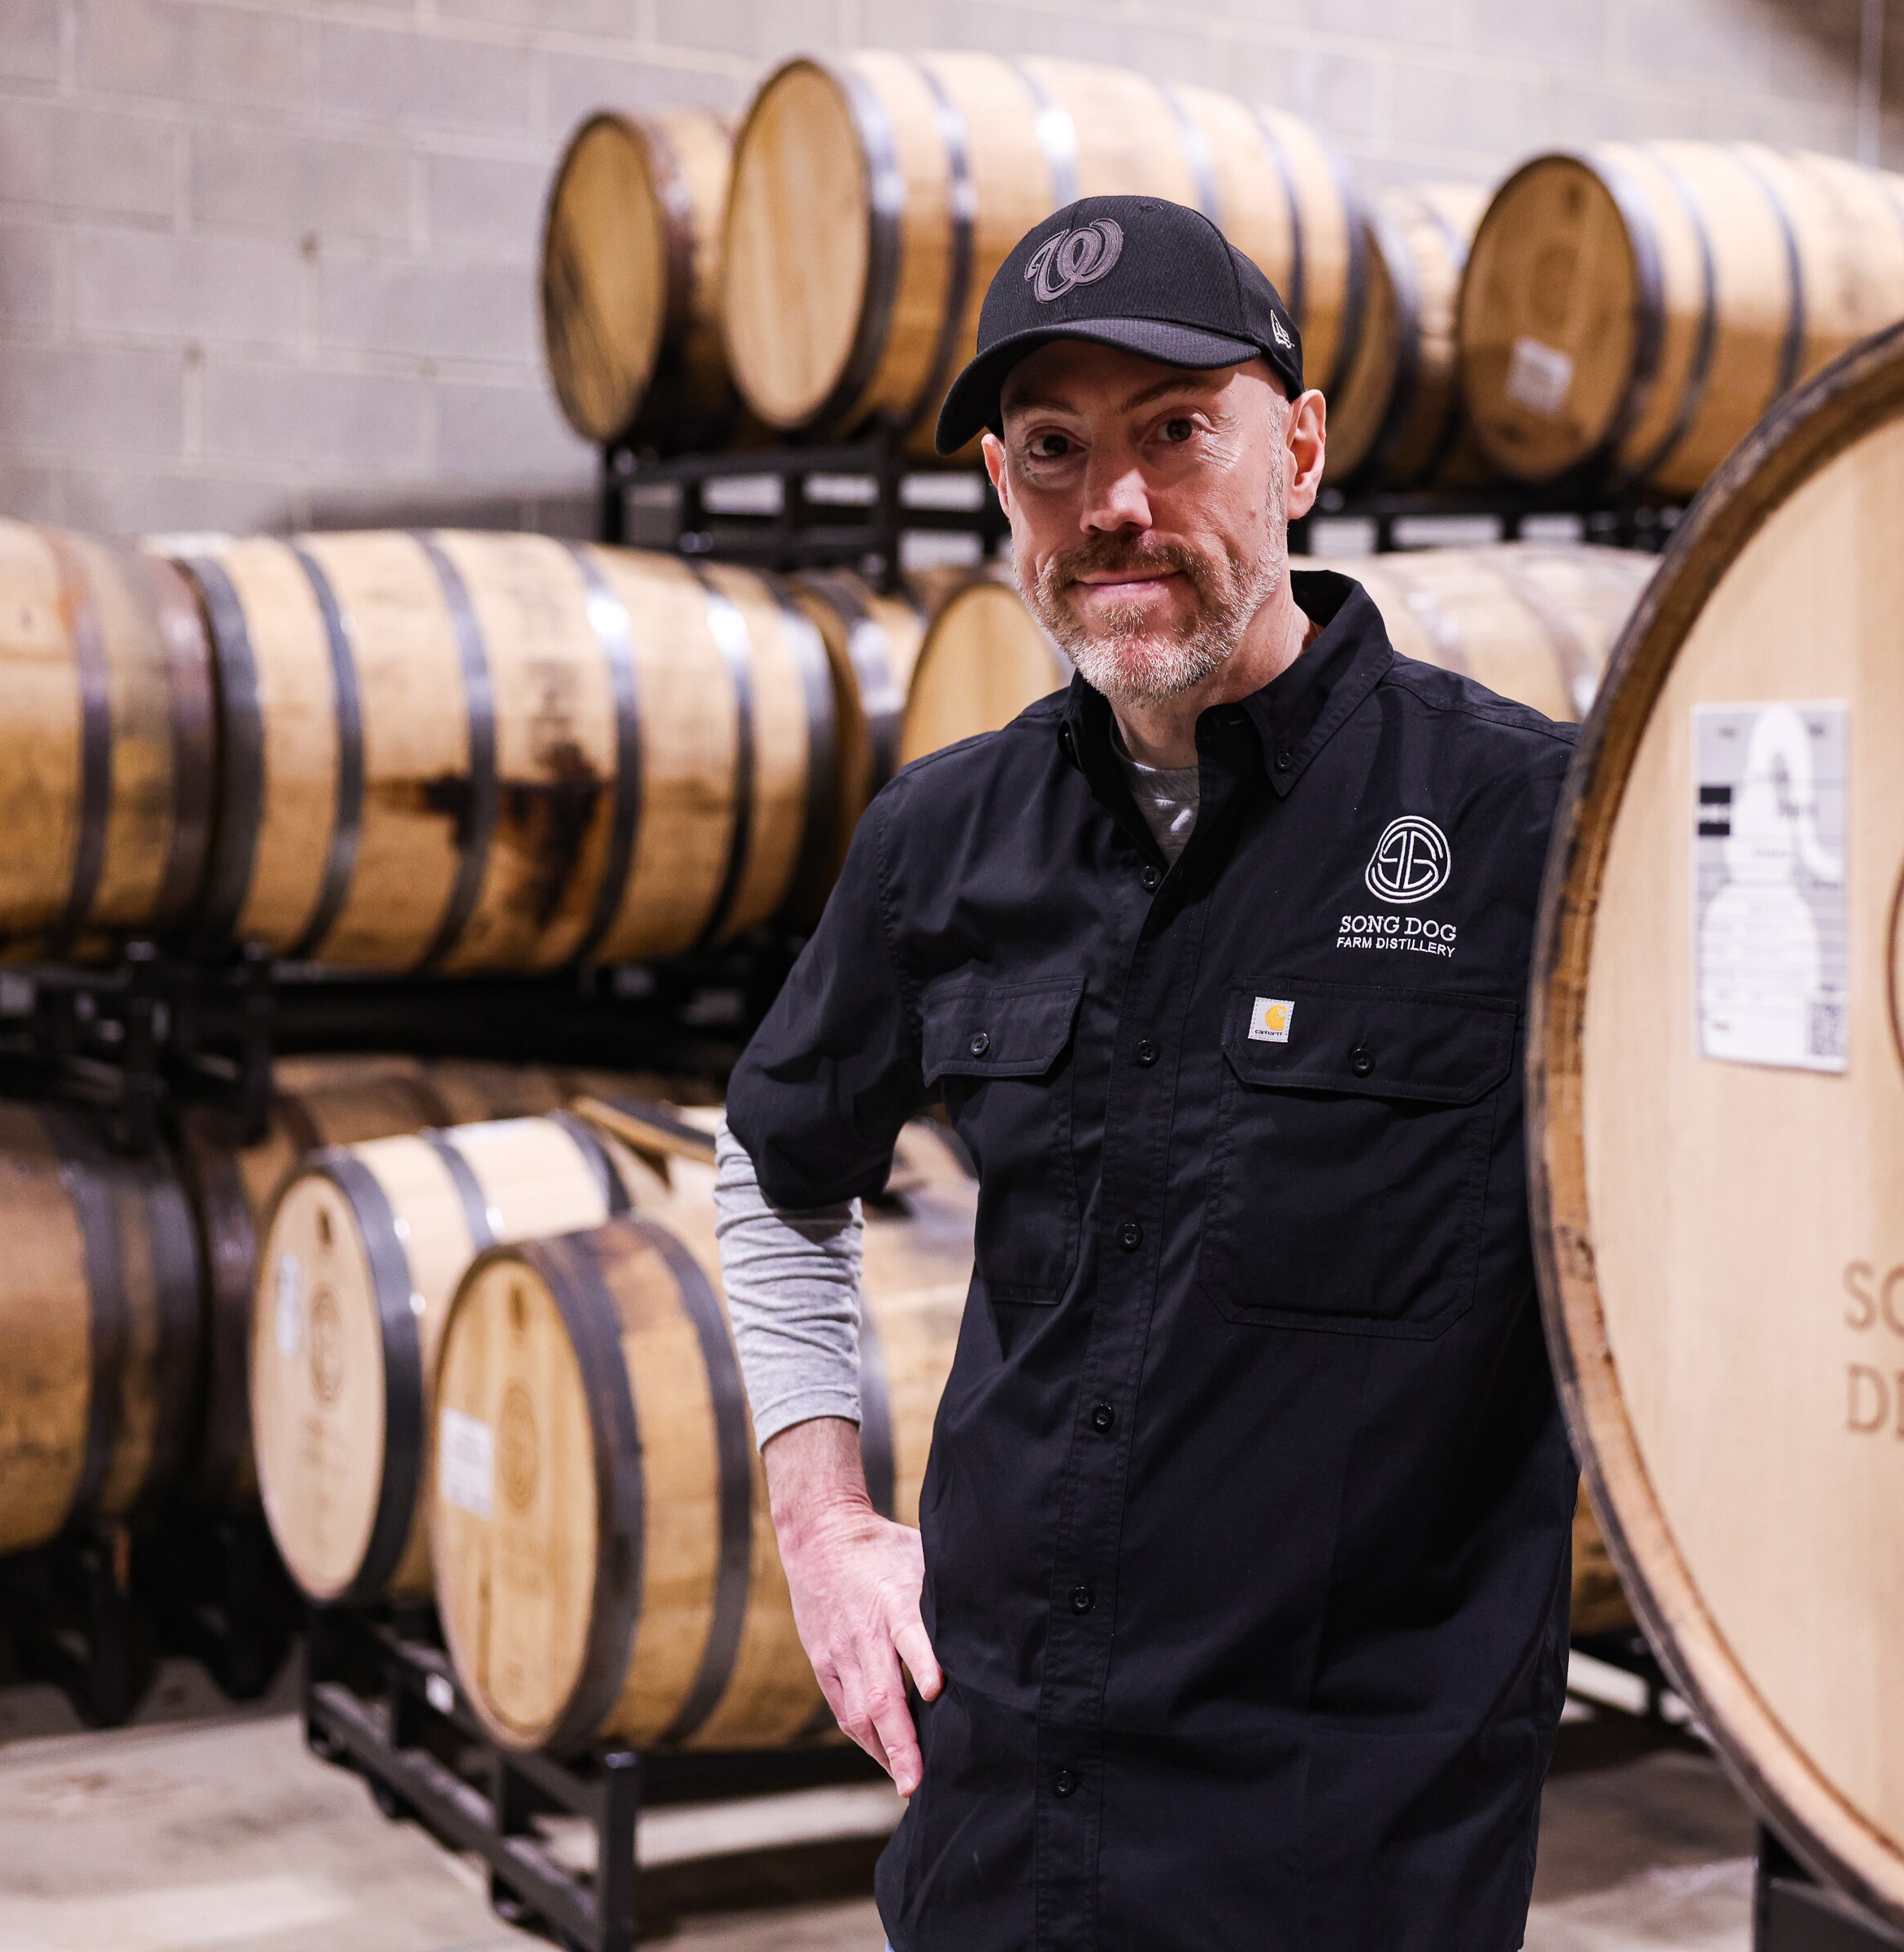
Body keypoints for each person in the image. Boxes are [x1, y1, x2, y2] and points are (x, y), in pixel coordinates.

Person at [715, 193, 1580, 1950]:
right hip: (1003, 1833)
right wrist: (823, 1524)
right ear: (1001, 488)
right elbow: (774, 1165)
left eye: (1176, 432)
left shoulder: (1531, 827)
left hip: (1347, 1860)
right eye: (1054, 448)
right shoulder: (946, 831)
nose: (1114, 502)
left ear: (1301, 452)